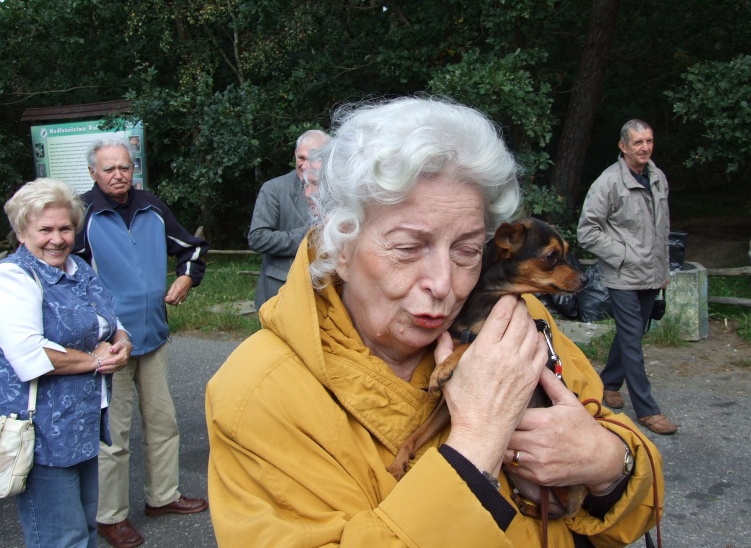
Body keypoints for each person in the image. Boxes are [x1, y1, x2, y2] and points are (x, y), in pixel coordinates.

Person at [206, 97, 664, 547]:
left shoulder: (516, 320)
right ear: (341, 248)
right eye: (408, 248)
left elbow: (628, 498)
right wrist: (477, 444)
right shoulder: (256, 396)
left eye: (467, 250)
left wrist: (608, 463)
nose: (444, 283)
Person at [73, 139, 210, 548]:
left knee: (163, 423)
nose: (118, 175)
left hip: (154, 336)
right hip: (110, 346)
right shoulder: (81, 215)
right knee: (113, 436)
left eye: (124, 167)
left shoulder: (151, 206)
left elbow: (192, 248)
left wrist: (186, 278)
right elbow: (65, 275)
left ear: (133, 169)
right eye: (109, 169)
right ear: (93, 173)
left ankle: (162, 496)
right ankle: (110, 517)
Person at [0, 178, 132, 548]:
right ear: (22, 232)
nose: (57, 239)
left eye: (65, 229)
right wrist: (96, 360)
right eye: (45, 230)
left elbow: (110, 319)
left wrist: (122, 343)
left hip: (83, 424)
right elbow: (31, 355)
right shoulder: (13, 277)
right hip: (44, 432)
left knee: (86, 529)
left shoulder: (78, 268)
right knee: (61, 538)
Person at [577, 119, 678, 435]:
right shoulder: (608, 182)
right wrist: (622, 255)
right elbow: (586, 231)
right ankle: (647, 410)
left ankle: (608, 383)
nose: (645, 148)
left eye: (649, 141)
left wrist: (663, 269)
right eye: (638, 142)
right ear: (623, 146)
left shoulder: (657, 177)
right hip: (622, 275)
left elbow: (662, 228)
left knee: (631, 333)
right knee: (632, 337)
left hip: (651, 273)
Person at [248, 129, 330, 309]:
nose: (305, 165)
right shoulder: (274, 189)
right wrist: (310, 235)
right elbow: (257, 238)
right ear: (294, 154)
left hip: (325, 292)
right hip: (280, 291)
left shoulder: (337, 188)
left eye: (312, 158)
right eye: (301, 158)